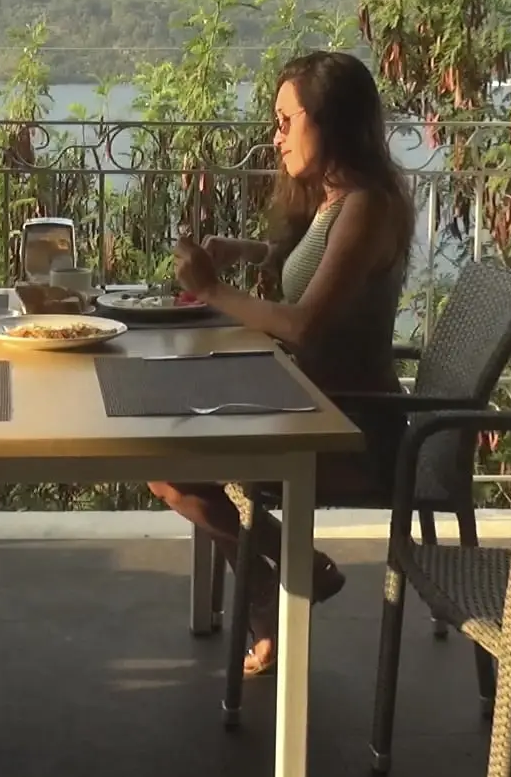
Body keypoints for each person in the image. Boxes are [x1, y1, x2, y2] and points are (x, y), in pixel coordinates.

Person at [150, 50, 414, 676]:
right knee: (166, 458)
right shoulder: (335, 200)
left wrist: (212, 290)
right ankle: (288, 579)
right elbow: (310, 268)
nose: (276, 136)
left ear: (331, 122)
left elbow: (303, 323)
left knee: (172, 465)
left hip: (351, 429)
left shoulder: (368, 207)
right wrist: (251, 252)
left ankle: (275, 589)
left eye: (287, 120)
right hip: (306, 408)